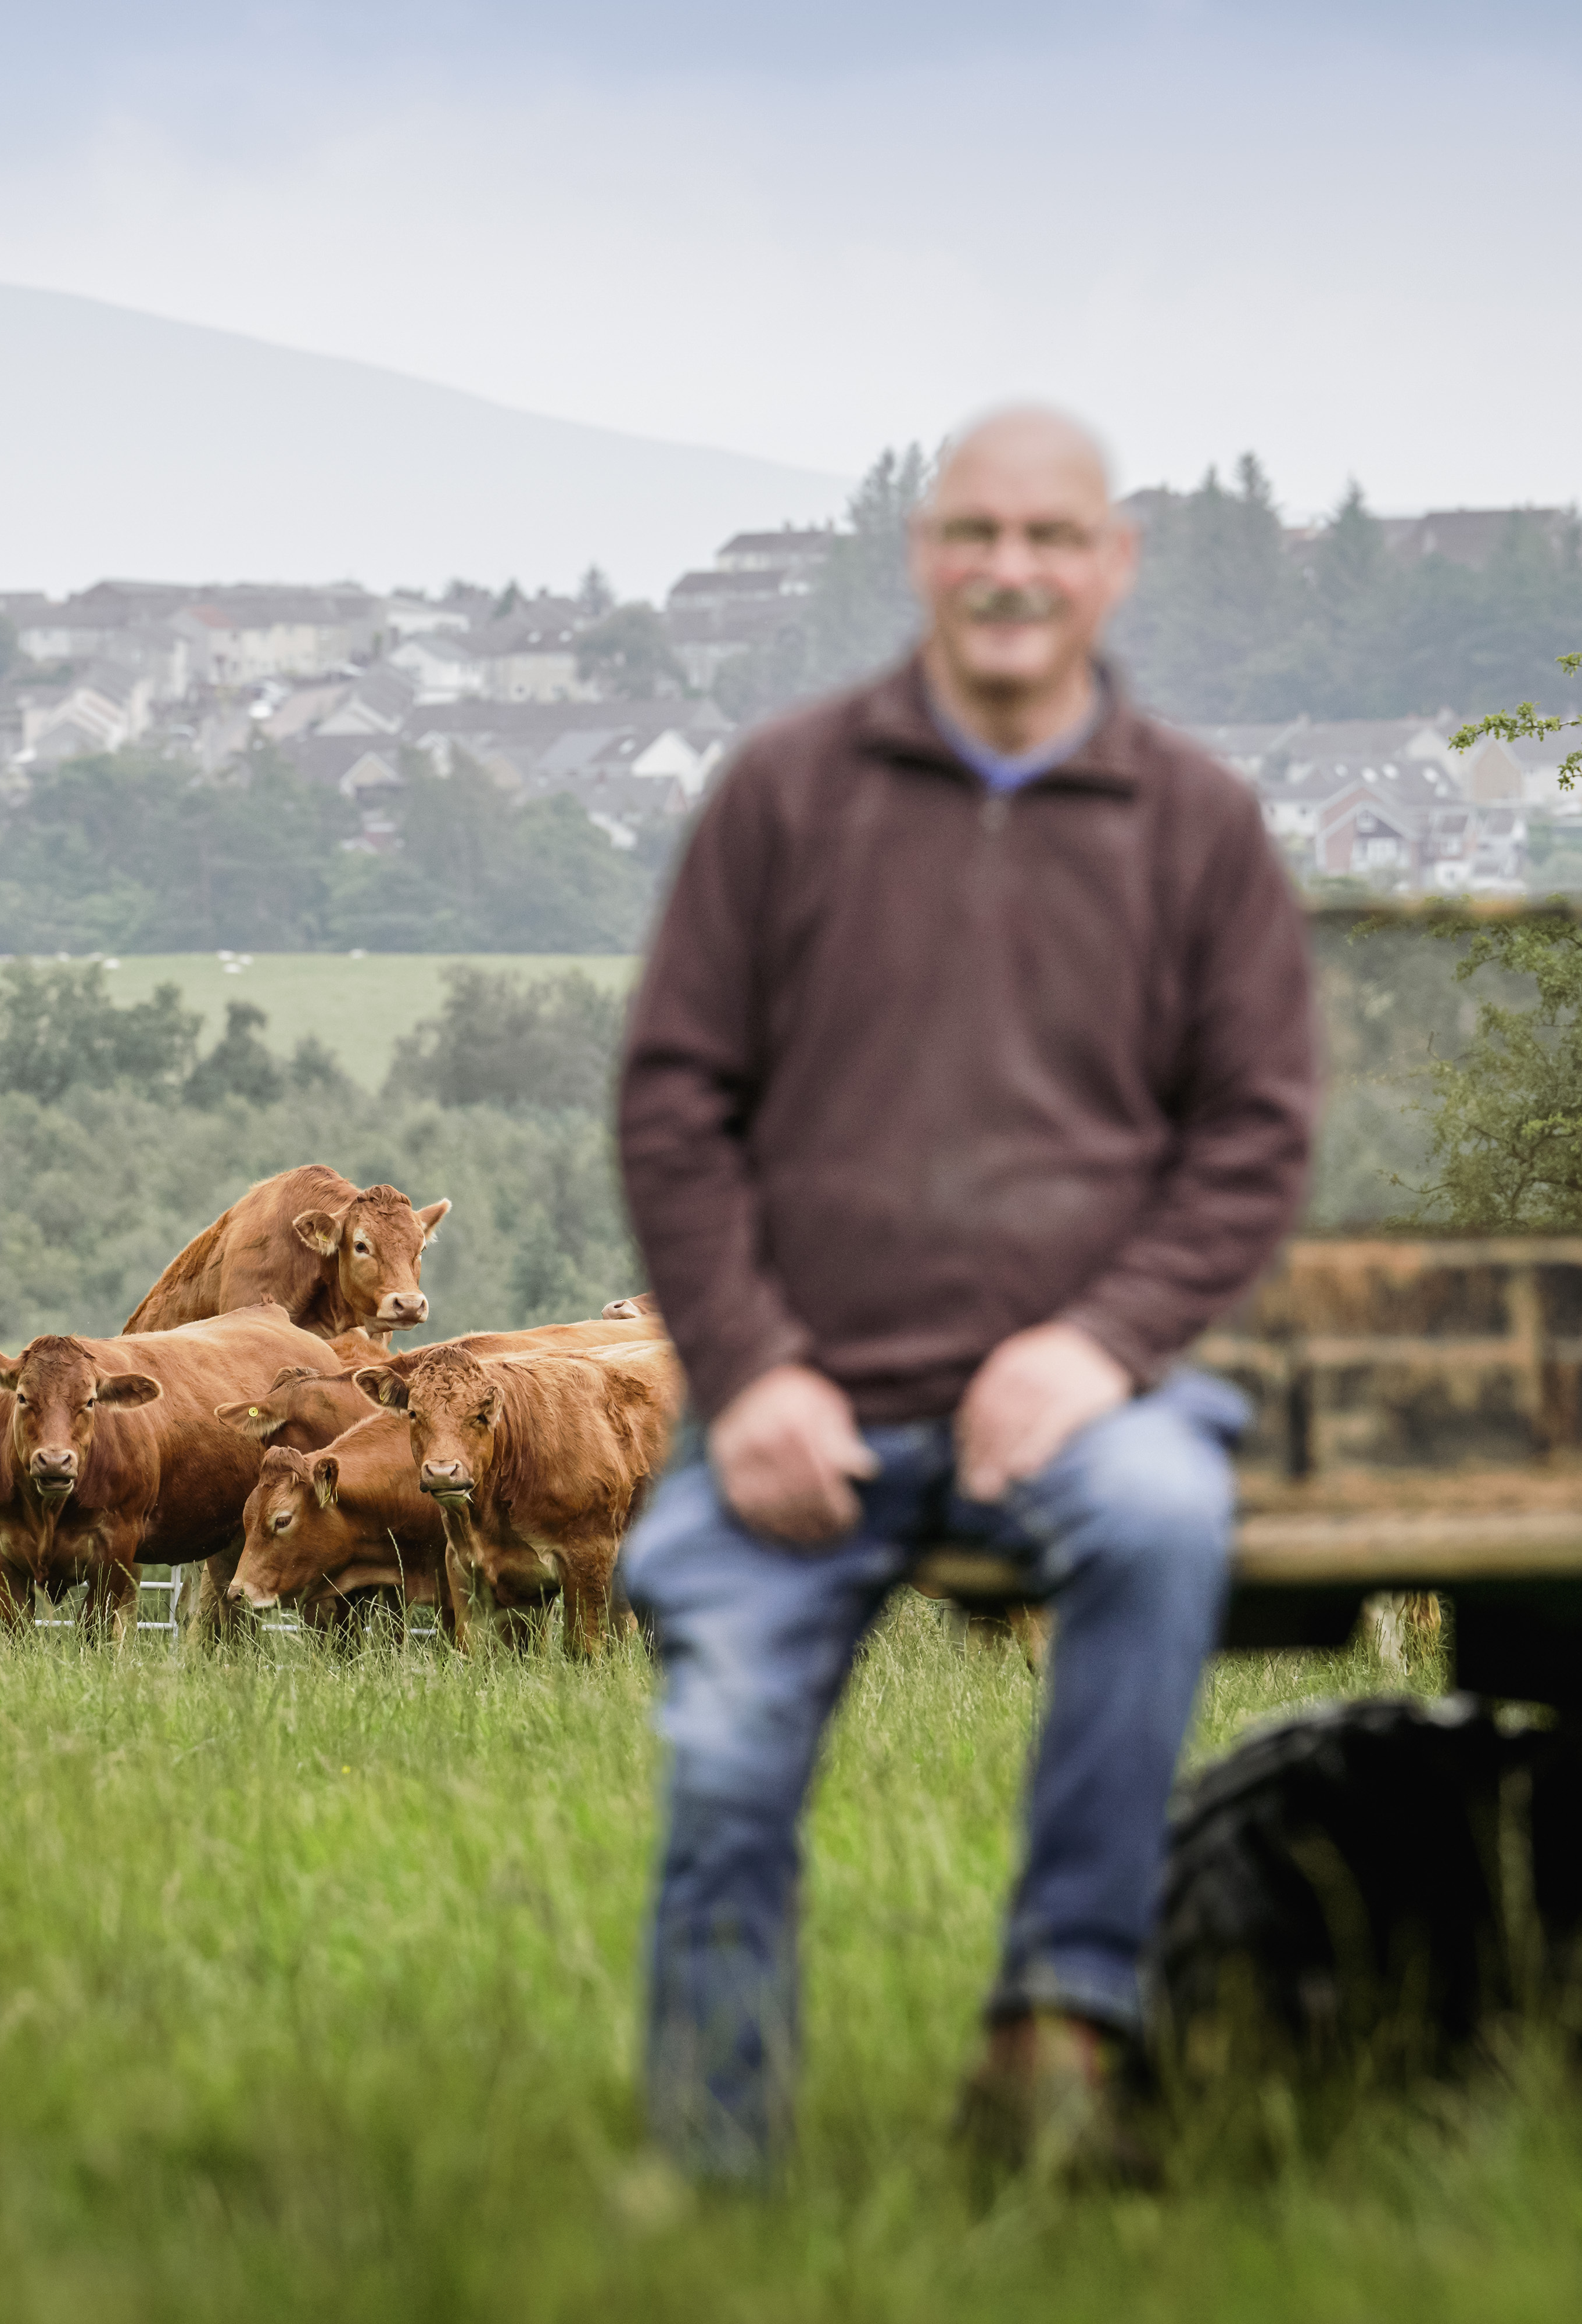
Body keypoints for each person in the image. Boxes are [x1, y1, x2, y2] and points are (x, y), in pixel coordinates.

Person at [611, 407, 1318, 2188]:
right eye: (976, 533)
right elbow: (674, 1104)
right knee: (730, 1741)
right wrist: (753, 1375)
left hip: (1080, 1408)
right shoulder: (787, 795)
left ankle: (1059, 2034)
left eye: (1052, 537)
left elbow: (1253, 1133)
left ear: (1113, 563)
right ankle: (713, 2160)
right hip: (807, 1407)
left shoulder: (1196, 825)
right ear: (922, 555)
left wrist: (1096, 1348)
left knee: (1163, 1514)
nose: (1013, 569)